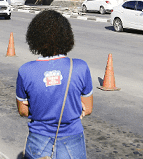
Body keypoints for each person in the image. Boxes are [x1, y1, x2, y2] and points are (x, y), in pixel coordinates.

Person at [16, 10, 93, 159]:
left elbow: (23, 111)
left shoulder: (25, 71)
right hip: (73, 142)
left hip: (38, 141)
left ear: (34, 38)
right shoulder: (80, 67)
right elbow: (88, 108)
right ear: (67, 36)